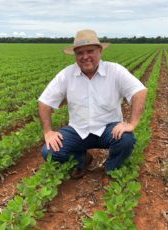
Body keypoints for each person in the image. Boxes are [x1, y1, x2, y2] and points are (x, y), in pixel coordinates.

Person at [38, 29, 147, 179]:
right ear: (75, 55)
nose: (85, 57)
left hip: (109, 129)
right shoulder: (67, 74)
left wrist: (132, 123)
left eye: (90, 51)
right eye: (80, 53)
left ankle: (111, 168)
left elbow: (139, 91)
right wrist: (48, 132)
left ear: (100, 51)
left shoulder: (115, 71)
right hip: (78, 130)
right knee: (49, 151)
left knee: (126, 139)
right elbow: (45, 102)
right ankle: (82, 160)